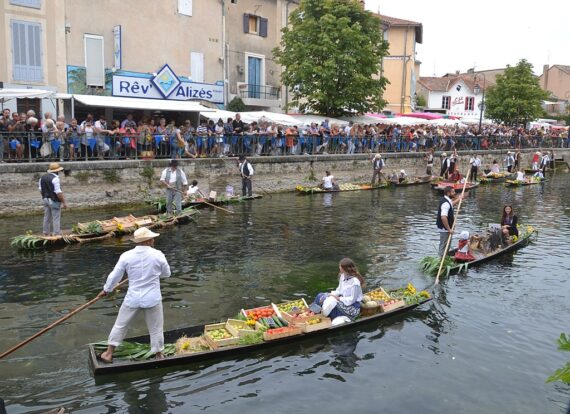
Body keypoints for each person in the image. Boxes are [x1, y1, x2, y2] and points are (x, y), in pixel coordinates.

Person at [97, 227, 171, 363]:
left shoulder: (126, 256)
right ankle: (159, 354)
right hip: (152, 299)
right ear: (148, 241)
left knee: (120, 325)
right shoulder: (158, 255)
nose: (153, 240)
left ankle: (108, 354)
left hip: (133, 298)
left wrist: (106, 289)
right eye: (152, 238)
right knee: (156, 328)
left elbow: (114, 276)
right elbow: (167, 274)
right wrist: (155, 273)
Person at [311, 258, 364, 323]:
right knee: (321, 295)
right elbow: (339, 290)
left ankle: (324, 316)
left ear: (344, 269)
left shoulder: (355, 283)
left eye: (340, 267)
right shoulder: (343, 276)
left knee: (332, 302)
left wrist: (338, 298)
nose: (339, 268)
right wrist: (330, 294)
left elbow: (352, 300)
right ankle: (313, 313)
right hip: (342, 299)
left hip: (351, 307)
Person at [39, 163, 68, 235]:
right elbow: (58, 192)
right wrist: (64, 202)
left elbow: (40, 189)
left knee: (47, 217)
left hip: (45, 199)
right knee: (56, 217)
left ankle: (45, 232)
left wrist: (44, 197)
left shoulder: (42, 178)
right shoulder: (56, 179)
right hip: (54, 200)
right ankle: (56, 233)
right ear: (57, 171)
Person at [436, 186, 463, 257]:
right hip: (445, 229)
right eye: (453, 192)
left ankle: (444, 258)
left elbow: (451, 204)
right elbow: (443, 218)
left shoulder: (446, 200)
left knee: (446, 245)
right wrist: (449, 229)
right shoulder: (445, 203)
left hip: (446, 228)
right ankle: (441, 261)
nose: (454, 193)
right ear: (448, 193)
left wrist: (459, 199)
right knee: (444, 245)